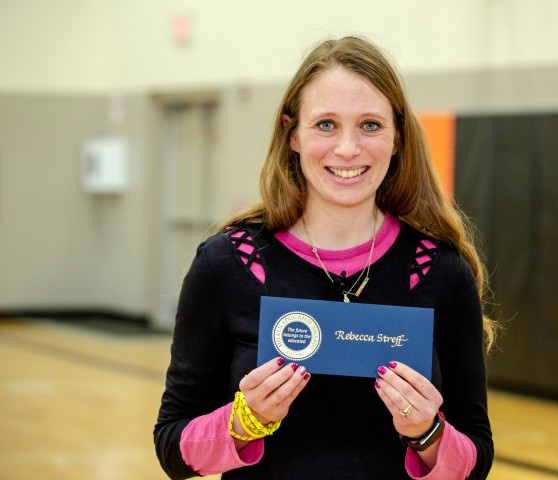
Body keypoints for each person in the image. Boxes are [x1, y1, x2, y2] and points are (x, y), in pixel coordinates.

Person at [154, 35, 495, 480]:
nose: (348, 149)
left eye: (370, 125)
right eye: (326, 125)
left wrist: (428, 434)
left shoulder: (442, 271)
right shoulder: (226, 264)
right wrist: (243, 422)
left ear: (397, 137)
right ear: (292, 134)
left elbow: (477, 458)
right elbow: (171, 448)